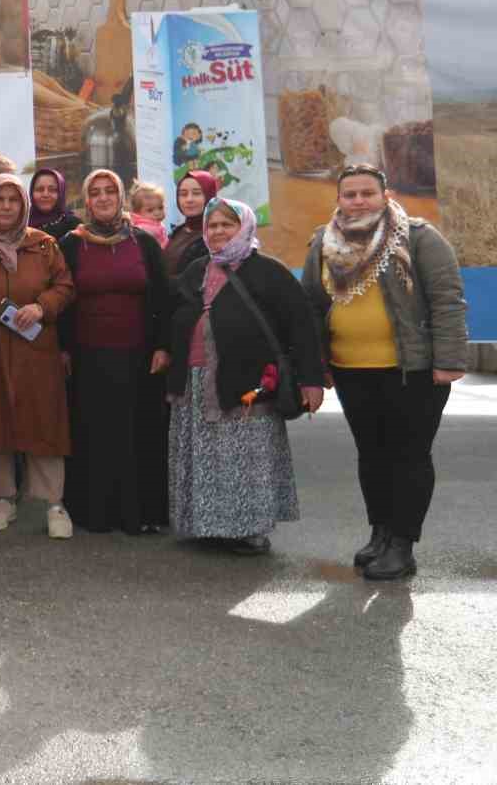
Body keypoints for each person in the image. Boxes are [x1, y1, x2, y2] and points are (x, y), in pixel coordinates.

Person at [301, 164, 468, 580]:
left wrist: (448, 361)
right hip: (352, 371)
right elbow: (311, 307)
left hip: (413, 371)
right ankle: (379, 533)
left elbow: (447, 300)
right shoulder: (323, 242)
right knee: (372, 456)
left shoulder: (419, 238)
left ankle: (402, 545)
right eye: (350, 194)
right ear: (338, 199)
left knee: (409, 456)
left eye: (367, 193)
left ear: (385, 194)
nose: (358, 201)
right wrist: (316, 364)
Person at [165, 198, 324, 555]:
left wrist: (311, 380)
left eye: (227, 225)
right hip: (195, 381)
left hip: (250, 385)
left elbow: (302, 326)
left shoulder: (269, 272)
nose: (218, 232)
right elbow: (174, 314)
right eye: (212, 226)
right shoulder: (196, 271)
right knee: (205, 456)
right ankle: (207, 525)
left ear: (245, 227)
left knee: (245, 458)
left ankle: (248, 529)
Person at [0, 173, 76, 538]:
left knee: (43, 423)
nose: (6, 207)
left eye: (13, 200)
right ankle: (3, 498)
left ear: (23, 205)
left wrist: (42, 307)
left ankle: (52, 503)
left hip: (35, 351)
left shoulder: (44, 245)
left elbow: (65, 286)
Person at [57, 169, 171, 535]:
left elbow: (163, 299)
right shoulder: (71, 245)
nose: (103, 198)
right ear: (86, 200)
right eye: (95, 192)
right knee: (94, 433)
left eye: (110, 191)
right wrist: (62, 349)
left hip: (138, 357)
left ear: (121, 197)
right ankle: (96, 513)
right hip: (88, 358)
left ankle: (140, 513)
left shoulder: (144, 243)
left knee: (139, 433)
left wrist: (163, 345)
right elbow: (62, 298)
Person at [163, 169, 219, 275]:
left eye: (197, 193)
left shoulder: (217, 234)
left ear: (209, 195)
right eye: (183, 194)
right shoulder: (177, 231)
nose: (189, 199)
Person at [28, 167, 79, 240]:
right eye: (40, 189)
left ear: (61, 193)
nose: (45, 194)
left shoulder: (73, 226)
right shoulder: (21, 225)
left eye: (52, 190)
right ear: (31, 193)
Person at [128, 180, 169, 245]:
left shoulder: (156, 225)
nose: (157, 213)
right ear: (137, 213)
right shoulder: (145, 229)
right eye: (150, 210)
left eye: (160, 207)